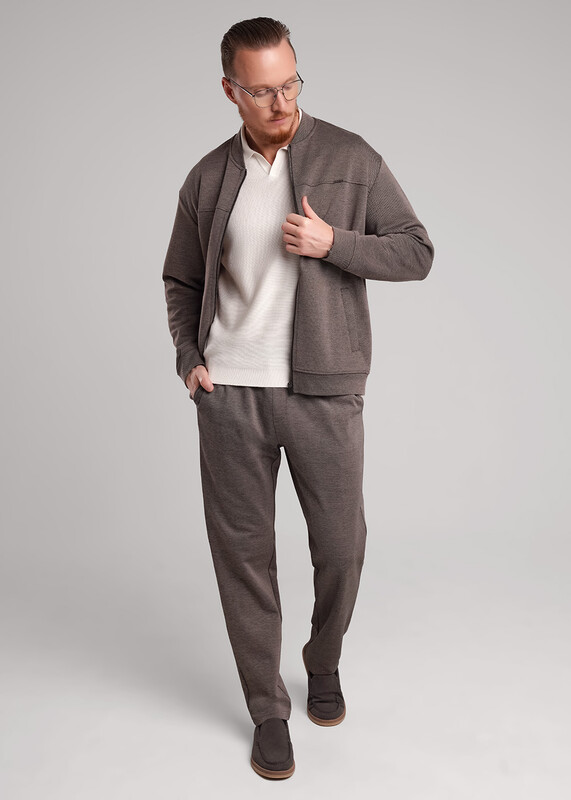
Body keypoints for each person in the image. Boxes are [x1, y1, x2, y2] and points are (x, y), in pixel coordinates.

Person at [162, 16, 434, 780]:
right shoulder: (207, 178)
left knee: (341, 546)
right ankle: (266, 711)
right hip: (230, 395)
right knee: (244, 559)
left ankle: (322, 660)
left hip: (323, 391)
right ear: (230, 91)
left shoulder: (351, 157)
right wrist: (189, 359)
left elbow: (416, 250)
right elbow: (181, 278)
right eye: (262, 91)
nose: (281, 102)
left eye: (290, 84)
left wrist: (334, 244)